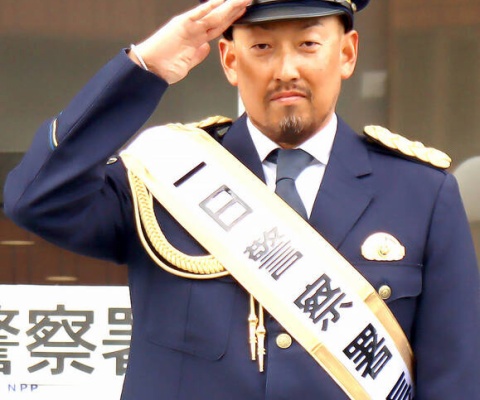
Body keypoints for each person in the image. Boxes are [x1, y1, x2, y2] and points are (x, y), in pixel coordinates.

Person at [4, 0, 480, 399]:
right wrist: (145, 68)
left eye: (308, 44)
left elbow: (454, 379)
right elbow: (35, 197)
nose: (286, 70)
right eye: (262, 47)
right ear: (230, 60)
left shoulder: (421, 194)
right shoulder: (167, 177)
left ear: (347, 53)